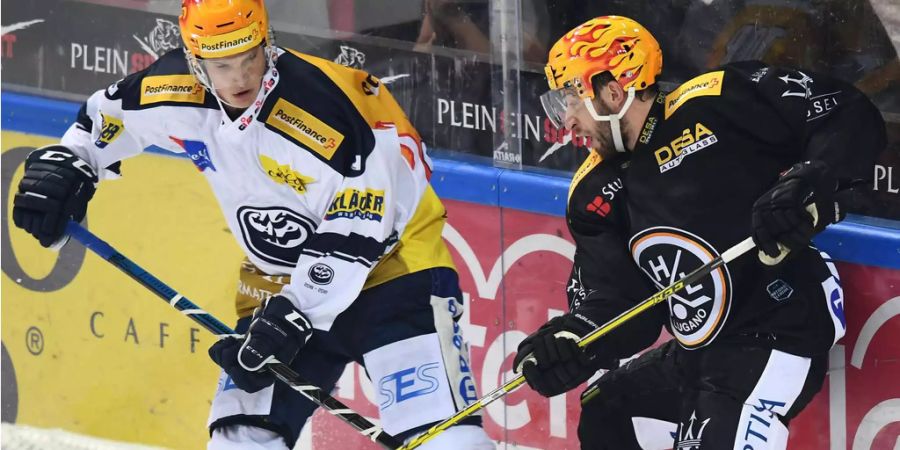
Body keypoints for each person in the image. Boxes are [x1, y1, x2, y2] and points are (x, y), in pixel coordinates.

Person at [11, 1, 495, 449]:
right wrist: (67, 164)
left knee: (448, 441)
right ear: (195, 62)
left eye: (250, 58)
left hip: (394, 276)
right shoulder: (174, 88)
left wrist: (296, 309)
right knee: (240, 439)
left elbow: (366, 220)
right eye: (222, 66)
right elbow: (103, 120)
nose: (240, 77)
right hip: (274, 284)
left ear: (266, 41)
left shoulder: (326, 109)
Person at [514, 15, 886, 449]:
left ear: (612, 91)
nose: (566, 122)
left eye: (570, 101)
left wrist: (806, 182)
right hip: (702, 353)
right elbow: (622, 305)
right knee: (609, 407)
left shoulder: (718, 102)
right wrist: (575, 340)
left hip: (778, 331)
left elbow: (847, 113)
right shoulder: (594, 194)